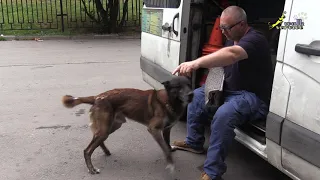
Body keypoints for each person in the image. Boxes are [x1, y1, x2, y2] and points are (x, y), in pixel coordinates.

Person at [171, 5, 274, 180]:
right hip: (229, 89)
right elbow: (223, 62)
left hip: (251, 96)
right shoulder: (231, 37)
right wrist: (212, 85)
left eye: (226, 28)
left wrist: (196, 63)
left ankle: (212, 172)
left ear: (241, 24)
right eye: (221, 27)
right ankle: (194, 142)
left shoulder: (256, 39)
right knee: (196, 96)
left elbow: (232, 54)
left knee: (223, 114)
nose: (223, 32)